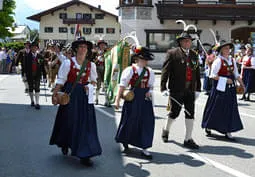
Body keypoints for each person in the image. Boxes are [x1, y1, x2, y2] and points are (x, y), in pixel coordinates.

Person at [50, 37, 102, 167]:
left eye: (85, 47)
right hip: (70, 95)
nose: (83, 49)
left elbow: (94, 81)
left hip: (84, 97)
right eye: (80, 47)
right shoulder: (68, 63)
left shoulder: (91, 65)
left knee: (85, 124)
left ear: (88, 50)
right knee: (69, 121)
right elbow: (61, 80)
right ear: (76, 49)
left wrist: (89, 85)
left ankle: (85, 154)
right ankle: (65, 142)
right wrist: (55, 94)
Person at [161, 31, 201, 149]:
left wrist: (198, 88)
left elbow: (197, 73)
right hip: (176, 89)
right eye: (185, 41)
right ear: (180, 42)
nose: (187, 42)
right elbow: (165, 71)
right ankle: (166, 129)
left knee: (190, 113)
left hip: (190, 89)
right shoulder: (172, 53)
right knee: (174, 112)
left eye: (189, 41)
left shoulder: (194, 54)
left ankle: (188, 138)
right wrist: (163, 87)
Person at [115, 46, 155, 159]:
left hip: (145, 100)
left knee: (147, 122)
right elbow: (122, 86)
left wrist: (150, 91)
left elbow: (151, 86)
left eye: (146, 59)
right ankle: (125, 141)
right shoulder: (129, 70)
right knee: (129, 120)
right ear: (136, 59)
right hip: (132, 98)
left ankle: (145, 147)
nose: (145, 61)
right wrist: (117, 100)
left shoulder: (150, 71)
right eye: (143, 59)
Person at [202, 41, 245, 141]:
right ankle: (209, 125)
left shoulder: (232, 60)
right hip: (219, 89)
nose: (227, 50)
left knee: (230, 108)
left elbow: (236, 74)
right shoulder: (218, 61)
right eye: (225, 48)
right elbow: (212, 75)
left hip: (230, 89)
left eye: (228, 48)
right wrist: (225, 80)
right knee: (215, 108)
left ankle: (228, 130)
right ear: (221, 50)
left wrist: (242, 84)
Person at [94, 40, 109, 106]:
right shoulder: (95, 52)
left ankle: (107, 101)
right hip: (97, 68)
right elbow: (93, 61)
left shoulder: (107, 52)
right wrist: (97, 58)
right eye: (101, 44)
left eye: (103, 44)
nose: (102, 46)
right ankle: (96, 99)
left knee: (105, 84)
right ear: (99, 45)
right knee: (98, 84)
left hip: (105, 68)